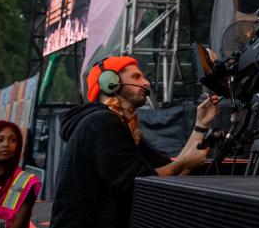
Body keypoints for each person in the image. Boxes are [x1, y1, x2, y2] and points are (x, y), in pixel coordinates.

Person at [49, 56, 220, 228]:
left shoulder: (122, 125)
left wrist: (200, 125)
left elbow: (167, 170)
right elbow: (141, 183)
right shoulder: (101, 123)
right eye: (136, 77)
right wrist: (184, 162)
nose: (146, 82)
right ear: (110, 82)